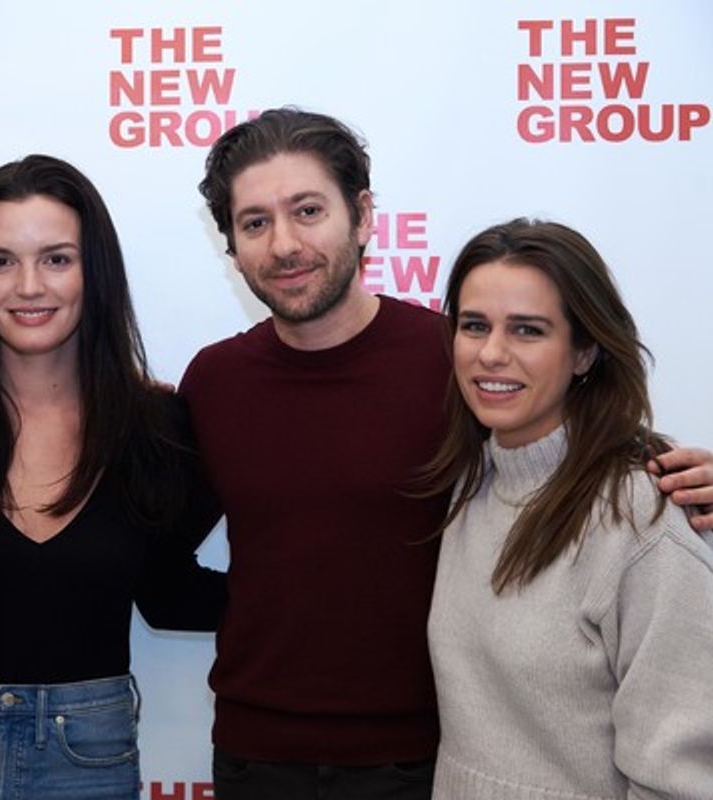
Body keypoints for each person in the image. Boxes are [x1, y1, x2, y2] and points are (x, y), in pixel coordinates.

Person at [178, 108, 713, 799]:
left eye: (308, 210)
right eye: (255, 223)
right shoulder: (214, 381)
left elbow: (577, 448)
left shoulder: (458, 359)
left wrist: (680, 475)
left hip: (426, 758)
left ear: (363, 215)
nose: (284, 244)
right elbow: (153, 558)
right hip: (255, 755)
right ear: (232, 244)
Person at [0, 154, 225, 799]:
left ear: (97, 272)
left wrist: (331, 602)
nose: (27, 286)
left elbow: (170, 594)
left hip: (86, 751)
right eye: (0, 260)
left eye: (57, 258)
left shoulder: (159, 427)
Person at [424, 219, 713, 798]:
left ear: (583, 352)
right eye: (474, 326)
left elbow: (676, 780)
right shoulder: (472, 486)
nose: (492, 354)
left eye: (528, 330)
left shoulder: (641, 518)